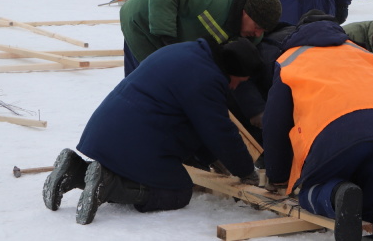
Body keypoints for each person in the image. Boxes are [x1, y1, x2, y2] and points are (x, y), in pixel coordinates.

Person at [42, 38, 261, 225]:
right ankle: (108, 186)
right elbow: (219, 130)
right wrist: (244, 170)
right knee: (178, 192)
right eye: (237, 82)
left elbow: (198, 123)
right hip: (135, 141)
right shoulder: (208, 78)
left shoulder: (189, 51)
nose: (234, 88)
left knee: (147, 171)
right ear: (233, 70)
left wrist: (213, 158)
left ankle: (76, 170)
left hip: (108, 131)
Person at [262, 12, 373, 241]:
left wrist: (277, 176)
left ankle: (338, 195)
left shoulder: (290, 58)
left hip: (334, 134)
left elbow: (274, 123)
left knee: (310, 192)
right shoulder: (362, 53)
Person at [119, 0, 282, 75]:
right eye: (258, 27)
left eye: (264, 30)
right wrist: (168, 40)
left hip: (174, 38)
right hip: (142, 22)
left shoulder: (250, 33)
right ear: (246, 12)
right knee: (149, 87)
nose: (258, 34)